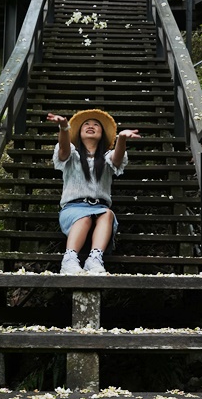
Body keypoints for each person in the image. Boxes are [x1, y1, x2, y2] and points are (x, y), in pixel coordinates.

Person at [47, 108, 141, 274]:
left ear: (102, 134)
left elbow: (117, 159)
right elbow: (63, 150)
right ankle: (69, 259)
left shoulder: (106, 159)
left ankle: (94, 259)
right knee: (84, 218)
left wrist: (122, 139)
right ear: (79, 132)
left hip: (99, 209)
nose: (91, 126)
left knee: (108, 214)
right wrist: (63, 128)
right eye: (87, 124)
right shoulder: (72, 156)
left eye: (96, 124)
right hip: (73, 209)